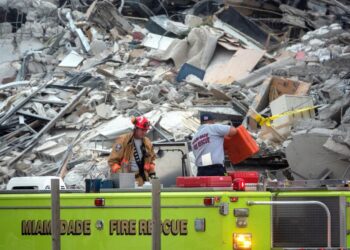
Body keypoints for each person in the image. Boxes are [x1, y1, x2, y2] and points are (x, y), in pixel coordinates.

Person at [108, 116, 156, 186]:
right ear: (136, 128)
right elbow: (112, 162)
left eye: (145, 130)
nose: (144, 132)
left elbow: (151, 161)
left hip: (142, 180)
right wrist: (122, 174)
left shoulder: (147, 143)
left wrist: (152, 174)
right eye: (142, 130)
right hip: (125, 181)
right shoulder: (123, 140)